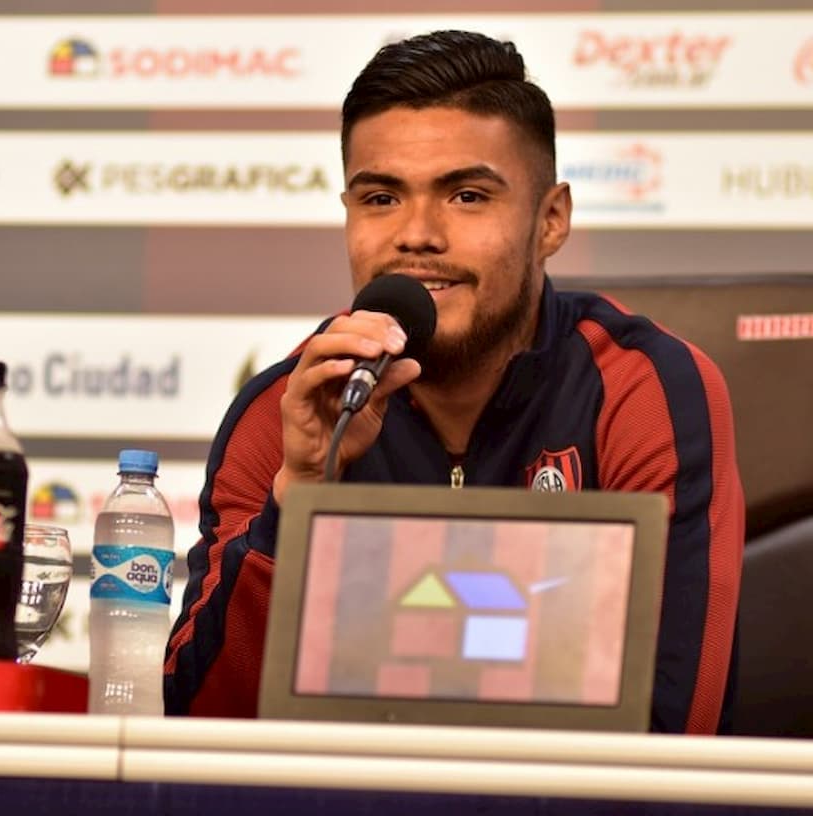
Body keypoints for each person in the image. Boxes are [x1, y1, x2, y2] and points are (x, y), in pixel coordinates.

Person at [163, 30, 744, 734]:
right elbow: (201, 728)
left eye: (467, 196)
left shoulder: (644, 394)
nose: (416, 235)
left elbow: (673, 736)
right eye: (380, 198)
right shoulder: (287, 411)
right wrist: (302, 494)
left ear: (551, 220)